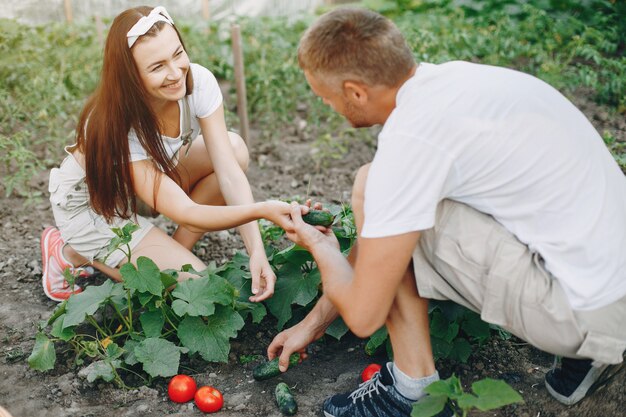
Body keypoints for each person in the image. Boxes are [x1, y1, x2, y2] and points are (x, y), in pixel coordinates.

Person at [267, 7, 626, 417]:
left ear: (356, 91)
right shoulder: (452, 82)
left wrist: (319, 246)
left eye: (324, 96)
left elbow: (365, 316)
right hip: (607, 283)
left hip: (584, 312)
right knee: (384, 195)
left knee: (376, 188)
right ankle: (590, 352)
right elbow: (378, 243)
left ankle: (411, 390)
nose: (324, 105)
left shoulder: (412, 141)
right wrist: (312, 324)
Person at [41, 6, 294, 303]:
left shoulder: (197, 82)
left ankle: (172, 251)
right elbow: (187, 212)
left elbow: (228, 172)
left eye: (177, 54)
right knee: (192, 284)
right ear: (131, 76)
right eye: (157, 67)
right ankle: (69, 250)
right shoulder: (116, 120)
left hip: (147, 180)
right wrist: (263, 210)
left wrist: (257, 251)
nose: (175, 73)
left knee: (234, 149)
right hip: (97, 205)